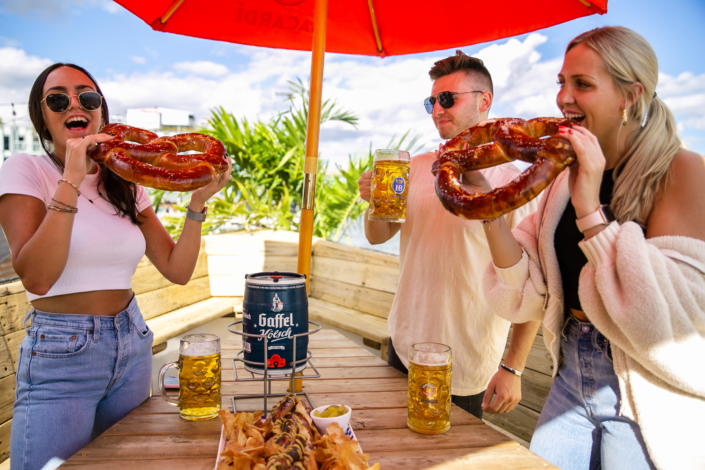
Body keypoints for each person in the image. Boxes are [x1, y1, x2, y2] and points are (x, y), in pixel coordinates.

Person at [475, 27, 705, 470]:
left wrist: (590, 208)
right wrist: (486, 204)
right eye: (561, 82)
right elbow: (526, 291)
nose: (564, 97)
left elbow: (668, 320)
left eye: (582, 84)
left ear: (629, 95)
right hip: (570, 369)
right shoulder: (561, 178)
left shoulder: (681, 171)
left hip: (645, 387)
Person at [0, 63, 230, 470]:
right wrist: (71, 178)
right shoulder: (25, 170)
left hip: (132, 342)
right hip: (61, 354)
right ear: (43, 117)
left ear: (101, 112)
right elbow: (37, 276)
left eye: (87, 97)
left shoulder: (126, 181)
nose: (75, 105)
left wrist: (197, 203)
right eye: (58, 99)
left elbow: (177, 270)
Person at [358, 51, 540, 419]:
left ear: (484, 101)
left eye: (447, 99)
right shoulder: (414, 168)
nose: (437, 109)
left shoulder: (516, 183)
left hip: (468, 357)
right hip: (403, 342)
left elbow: (533, 285)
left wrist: (513, 368)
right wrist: (377, 202)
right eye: (431, 101)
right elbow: (378, 237)